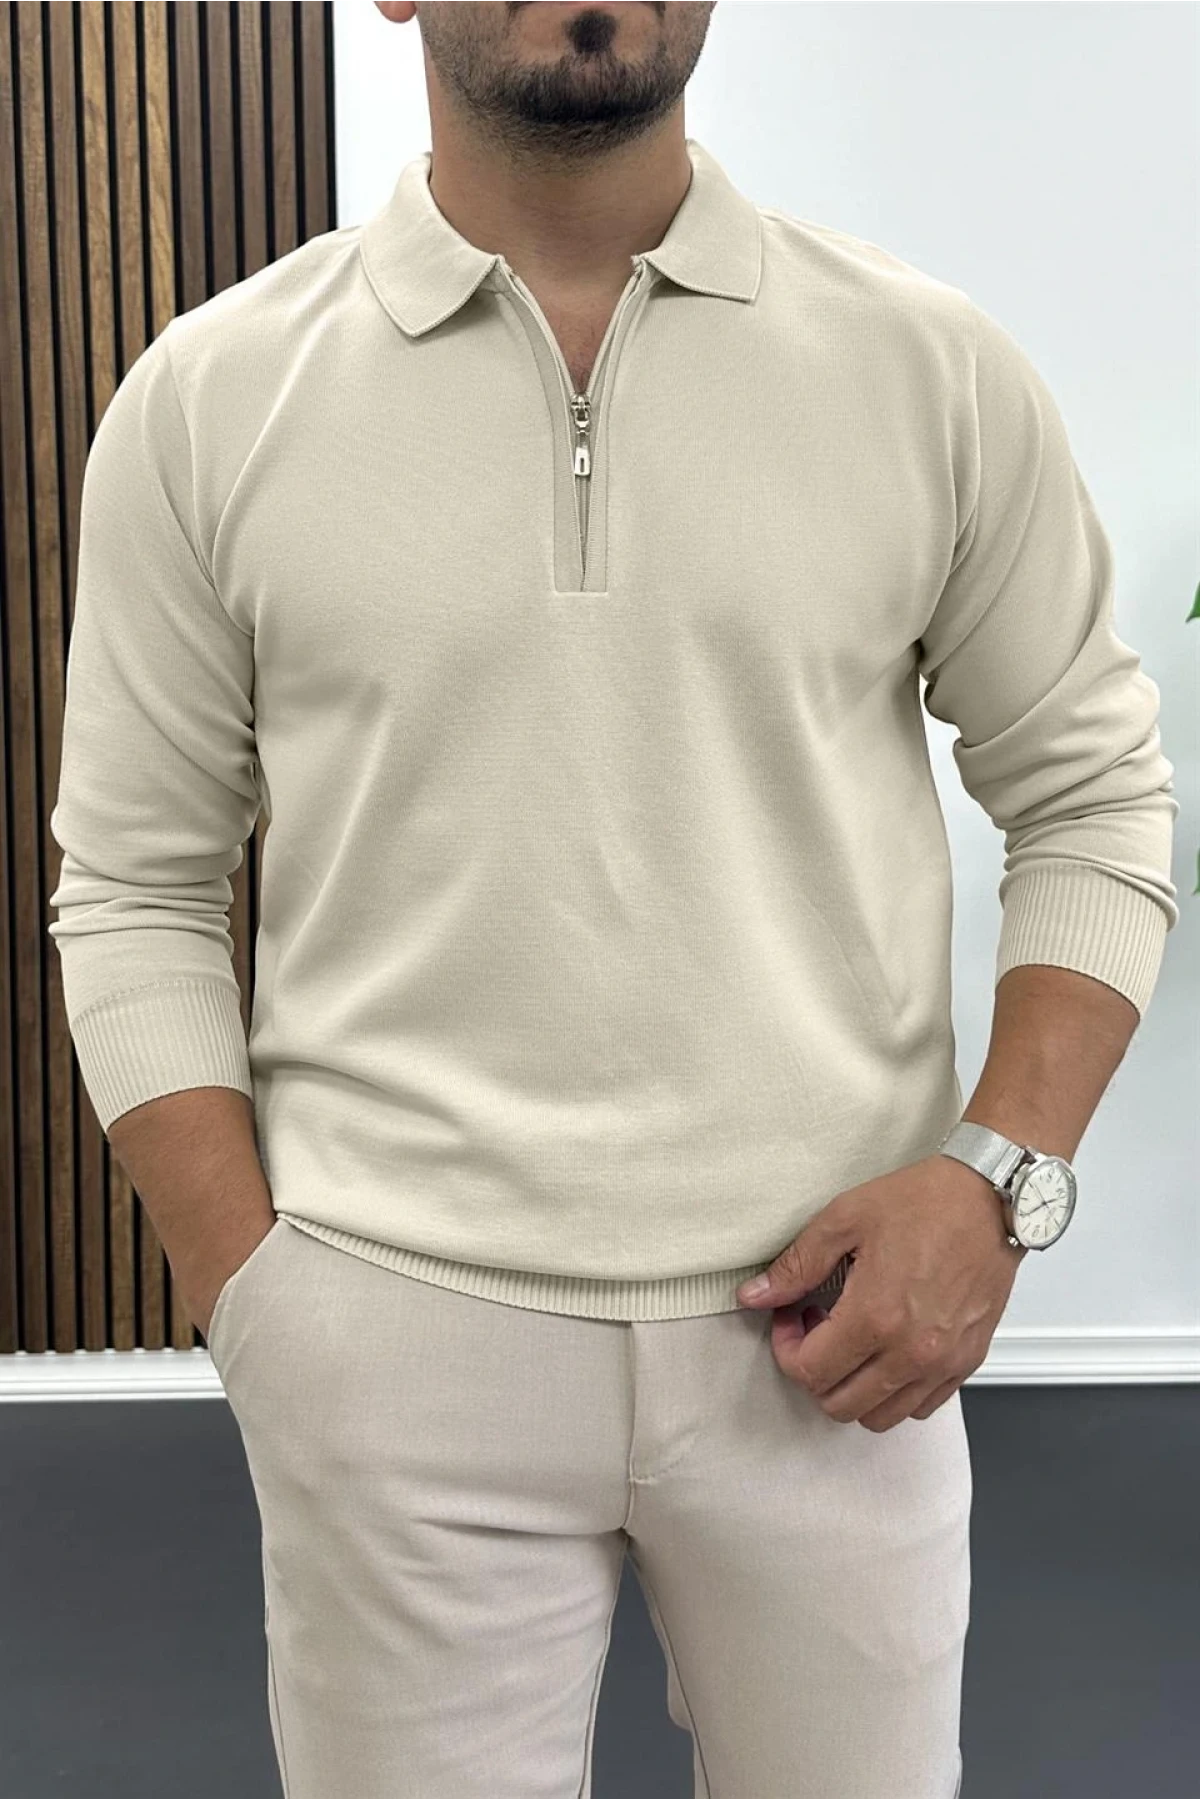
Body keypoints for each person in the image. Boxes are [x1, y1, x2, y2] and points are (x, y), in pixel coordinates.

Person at [47, 3, 1179, 1797]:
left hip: (839, 1337)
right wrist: (254, 1295)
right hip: (392, 1332)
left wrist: (997, 1180)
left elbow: (1095, 794)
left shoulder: (928, 369)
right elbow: (132, 881)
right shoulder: (211, 398)